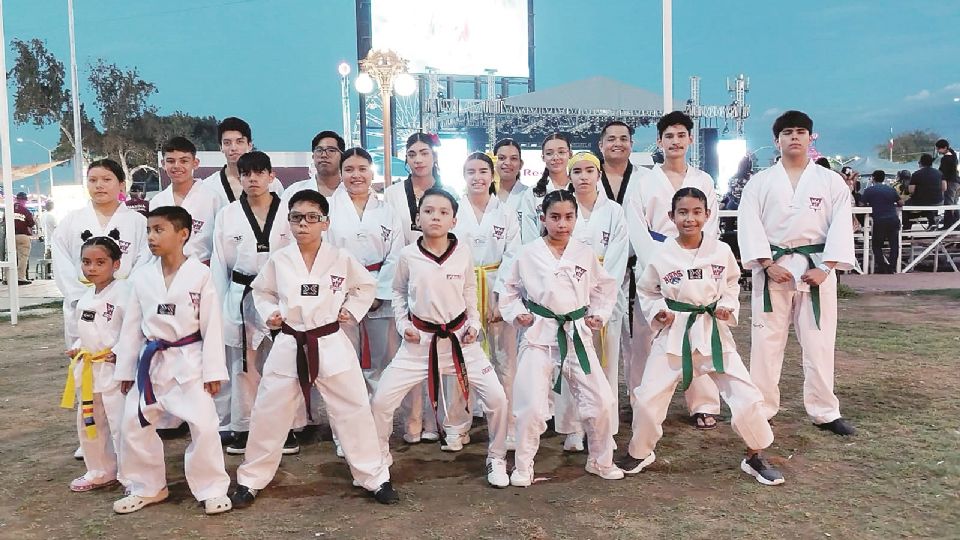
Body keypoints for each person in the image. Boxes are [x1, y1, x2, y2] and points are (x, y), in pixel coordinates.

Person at [230, 189, 398, 507]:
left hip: (330, 339)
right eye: (296, 218)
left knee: (354, 409)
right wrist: (270, 314)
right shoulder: (280, 259)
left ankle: (374, 476)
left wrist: (353, 309)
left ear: (325, 222)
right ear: (289, 222)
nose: (303, 224)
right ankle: (250, 479)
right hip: (290, 340)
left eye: (311, 218)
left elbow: (365, 286)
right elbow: (261, 292)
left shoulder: (340, 257)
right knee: (269, 411)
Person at [615, 187, 784, 486]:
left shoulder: (721, 251)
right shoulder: (661, 254)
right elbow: (646, 289)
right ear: (671, 216)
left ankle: (755, 455)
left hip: (712, 335)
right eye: (682, 212)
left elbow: (732, 283)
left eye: (696, 212)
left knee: (747, 397)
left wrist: (727, 306)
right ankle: (640, 451)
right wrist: (658, 312)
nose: (689, 219)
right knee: (646, 398)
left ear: (707, 215)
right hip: (674, 336)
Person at [370, 188, 511, 488]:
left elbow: (469, 291)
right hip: (418, 342)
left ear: (454, 220)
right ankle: (380, 457)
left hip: (462, 341)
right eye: (429, 211)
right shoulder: (407, 255)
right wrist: (401, 323)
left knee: (498, 399)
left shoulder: (462, 251)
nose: (436, 217)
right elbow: (396, 292)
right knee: (382, 400)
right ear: (417, 217)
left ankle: (496, 457)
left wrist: (473, 322)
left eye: (443, 212)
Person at [737, 110, 857, 436]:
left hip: (815, 269)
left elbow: (841, 227)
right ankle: (761, 408)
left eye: (800, 132)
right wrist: (766, 263)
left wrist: (826, 267)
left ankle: (825, 411)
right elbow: (748, 224)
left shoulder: (830, 181)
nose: (794, 137)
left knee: (819, 343)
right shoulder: (760, 182)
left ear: (810, 138)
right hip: (773, 268)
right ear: (776, 140)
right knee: (765, 343)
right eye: (787, 132)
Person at [112, 206, 232, 515]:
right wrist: (126, 368)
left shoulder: (201, 274)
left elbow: (211, 325)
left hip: (189, 360)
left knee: (204, 425)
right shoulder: (141, 277)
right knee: (133, 425)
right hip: (150, 362)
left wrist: (213, 370)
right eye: (149, 230)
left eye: (159, 230)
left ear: (183, 234)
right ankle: (147, 486)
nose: (151, 236)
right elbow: (131, 327)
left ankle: (212, 487)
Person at [499, 189, 623, 485]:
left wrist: (599, 314)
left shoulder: (584, 253)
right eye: (555, 217)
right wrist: (518, 314)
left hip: (576, 334)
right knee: (530, 404)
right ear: (543, 218)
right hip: (539, 335)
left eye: (569, 217)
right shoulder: (527, 253)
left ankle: (600, 459)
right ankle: (523, 465)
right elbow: (508, 290)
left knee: (603, 400)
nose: (562, 224)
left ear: (576, 219)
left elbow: (605, 288)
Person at [623, 111, 722, 430]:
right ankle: (643, 399)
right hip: (654, 264)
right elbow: (636, 227)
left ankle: (703, 402)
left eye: (681, 135)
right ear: (659, 141)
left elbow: (713, 224)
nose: (675, 141)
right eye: (669, 136)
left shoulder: (703, 181)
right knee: (647, 334)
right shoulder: (642, 181)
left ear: (690, 140)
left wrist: (696, 258)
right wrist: (662, 262)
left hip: (695, 263)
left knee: (698, 332)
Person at [210, 151, 293, 454]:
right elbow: (219, 264)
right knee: (243, 364)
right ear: (240, 178)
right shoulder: (228, 215)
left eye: (259, 173)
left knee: (284, 363)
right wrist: (218, 308)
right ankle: (243, 426)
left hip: (280, 294)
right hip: (241, 293)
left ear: (272, 176)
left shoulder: (288, 212)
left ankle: (287, 427)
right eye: (246, 174)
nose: (253, 179)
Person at [323, 147, 404, 456]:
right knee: (341, 369)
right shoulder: (329, 210)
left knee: (381, 366)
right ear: (341, 174)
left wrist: (373, 294)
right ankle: (344, 435)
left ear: (372, 173)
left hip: (378, 298)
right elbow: (326, 255)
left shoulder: (387, 211)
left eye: (362, 169)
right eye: (349, 169)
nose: (356, 175)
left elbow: (396, 255)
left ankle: (375, 431)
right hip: (340, 299)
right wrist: (348, 296)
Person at [442, 152, 520, 452]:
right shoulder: (454, 211)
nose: (478, 177)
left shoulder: (506, 212)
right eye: (471, 171)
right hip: (459, 290)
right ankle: (455, 425)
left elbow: (513, 255)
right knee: (458, 359)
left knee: (504, 361)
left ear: (492, 175)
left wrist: (500, 298)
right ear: (463, 175)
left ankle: (506, 425)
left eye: (483, 171)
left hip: (497, 285)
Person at [554, 152, 628, 451]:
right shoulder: (562, 209)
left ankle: (604, 426)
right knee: (570, 363)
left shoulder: (614, 212)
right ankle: (572, 428)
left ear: (599, 174)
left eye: (589, 171)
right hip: (567, 298)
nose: (583, 177)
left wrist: (598, 300)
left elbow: (618, 256)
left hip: (605, 296)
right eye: (577, 171)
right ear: (569, 176)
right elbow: (554, 252)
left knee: (605, 362)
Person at [382, 132, 449, 442]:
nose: (418, 159)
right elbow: (392, 239)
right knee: (410, 350)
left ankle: (437, 418)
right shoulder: (394, 193)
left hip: (438, 274)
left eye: (424, 152)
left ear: (434, 156)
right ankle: (412, 417)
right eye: (412, 154)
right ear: (405, 159)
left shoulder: (446, 191)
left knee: (439, 349)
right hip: (405, 270)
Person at [60, 230, 130, 492]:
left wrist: (121, 352)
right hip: (89, 370)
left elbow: (134, 329)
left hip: (114, 369)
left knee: (121, 425)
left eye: (100, 262)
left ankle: (131, 475)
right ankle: (99, 470)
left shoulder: (125, 292)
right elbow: (82, 334)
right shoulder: (86, 298)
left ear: (116, 264)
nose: (92, 268)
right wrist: (77, 348)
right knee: (90, 422)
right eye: (86, 262)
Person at [53, 159, 150, 348]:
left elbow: (144, 261)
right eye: (92, 180)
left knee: (123, 358)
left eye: (107, 179)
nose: (99, 185)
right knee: (84, 359)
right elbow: (61, 262)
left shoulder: (137, 222)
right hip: (82, 300)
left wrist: (123, 294)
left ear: (122, 184)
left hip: (123, 301)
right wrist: (80, 296)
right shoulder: (71, 221)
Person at [151, 137, 220, 265]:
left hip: (203, 269)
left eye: (184, 161)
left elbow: (221, 244)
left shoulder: (213, 198)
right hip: (165, 270)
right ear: (163, 164)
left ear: (195, 163)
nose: (177, 166)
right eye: (171, 161)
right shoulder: (158, 201)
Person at [202, 117, 283, 208]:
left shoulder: (271, 183)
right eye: (227, 143)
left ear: (250, 145)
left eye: (239, 142)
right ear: (221, 147)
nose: (233, 148)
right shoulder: (209, 186)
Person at [516, 133, 572, 244]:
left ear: (570, 154)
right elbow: (529, 236)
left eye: (561, 152)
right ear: (543, 157)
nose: (556, 157)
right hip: (540, 257)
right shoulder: (533, 194)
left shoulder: (580, 190)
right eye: (549, 153)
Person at [283, 130, 345, 200]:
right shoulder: (294, 191)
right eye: (319, 150)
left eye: (331, 150)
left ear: (342, 157)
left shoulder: (351, 192)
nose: (324, 155)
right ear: (313, 157)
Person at [860, 170, 902, 273]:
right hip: (893, 219)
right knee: (894, 245)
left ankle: (882, 267)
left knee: (876, 245)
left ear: (873, 178)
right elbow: (901, 202)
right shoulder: (891, 189)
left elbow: (861, 204)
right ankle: (892, 267)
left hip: (880, 220)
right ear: (883, 178)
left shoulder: (869, 190)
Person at [904, 154, 945, 230]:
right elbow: (944, 188)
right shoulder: (939, 173)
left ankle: (906, 229)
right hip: (938, 201)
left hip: (920, 202)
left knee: (904, 206)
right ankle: (932, 223)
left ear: (921, 163)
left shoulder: (916, 174)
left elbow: (911, 191)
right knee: (929, 205)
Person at [493, 138, 529, 217]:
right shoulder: (483, 194)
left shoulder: (530, 195)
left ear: (521, 164)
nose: (508, 163)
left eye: (513, 158)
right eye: (501, 158)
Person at [13, 192, 35, 285]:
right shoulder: (25, 210)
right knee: (23, 257)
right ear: (24, 201)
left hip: (10, 237)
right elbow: (31, 223)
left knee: (10, 257)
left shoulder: (8, 209)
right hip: (22, 236)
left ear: (16, 199)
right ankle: (20, 277)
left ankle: (8, 277)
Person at [935, 138, 958, 228]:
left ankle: (948, 225)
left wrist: (942, 183)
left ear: (944, 148)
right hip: (956, 182)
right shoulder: (954, 155)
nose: (938, 151)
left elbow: (943, 173)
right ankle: (956, 224)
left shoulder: (945, 159)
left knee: (948, 204)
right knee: (954, 204)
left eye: (939, 149)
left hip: (950, 182)